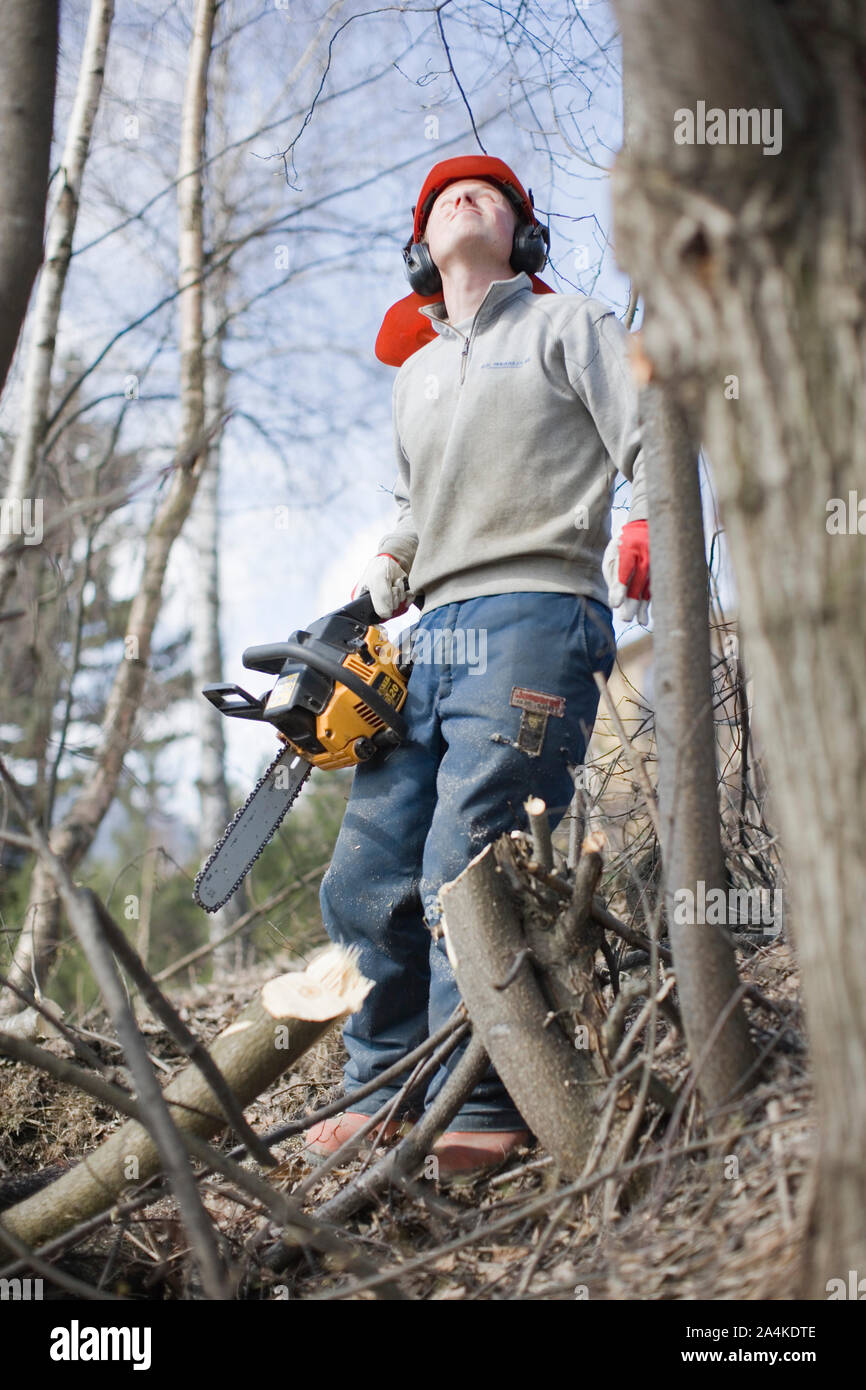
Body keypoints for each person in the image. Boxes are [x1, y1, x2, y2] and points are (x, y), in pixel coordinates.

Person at [306, 155, 651, 1175]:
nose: (464, 196)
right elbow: (417, 506)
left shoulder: (567, 325)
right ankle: (380, 1083)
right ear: (421, 244)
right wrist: (383, 566)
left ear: (520, 234)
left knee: (470, 856)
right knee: (372, 865)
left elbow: (645, 433)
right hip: (433, 630)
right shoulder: (413, 375)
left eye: (488, 191)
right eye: (442, 193)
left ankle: (481, 1096)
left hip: (537, 611)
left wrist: (642, 522)